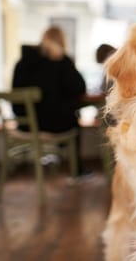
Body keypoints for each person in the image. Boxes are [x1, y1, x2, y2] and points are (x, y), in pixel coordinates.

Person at [12, 25, 90, 176]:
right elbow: (80, 87)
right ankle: (76, 171)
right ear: (61, 41)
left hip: (24, 125)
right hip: (53, 125)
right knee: (72, 119)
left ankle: (58, 157)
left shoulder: (22, 62)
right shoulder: (61, 61)